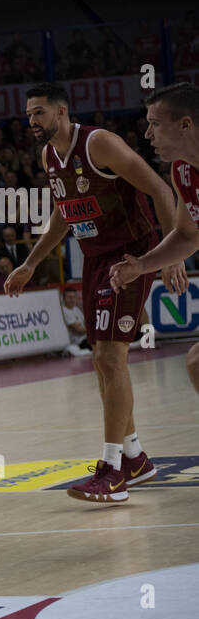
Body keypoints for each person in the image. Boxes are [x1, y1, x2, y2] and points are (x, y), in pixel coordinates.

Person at [5, 83, 184, 503]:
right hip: (94, 260)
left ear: (62, 112)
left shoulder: (99, 143)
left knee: (108, 355)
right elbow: (63, 217)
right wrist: (31, 263)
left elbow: (159, 189)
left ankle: (112, 470)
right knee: (102, 364)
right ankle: (135, 457)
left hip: (131, 255)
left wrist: (171, 255)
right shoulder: (49, 156)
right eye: (29, 114)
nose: (31, 121)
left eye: (39, 113)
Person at [110, 82, 199, 393]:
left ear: (185, 125)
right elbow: (188, 235)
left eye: (155, 125)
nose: (147, 135)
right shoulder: (182, 171)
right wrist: (143, 265)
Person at [60, 287, 91, 357]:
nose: (72, 300)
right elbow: (79, 330)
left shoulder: (76, 309)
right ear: (64, 298)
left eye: (74, 297)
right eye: (70, 297)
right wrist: (93, 329)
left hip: (86, 338)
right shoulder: (64, 311)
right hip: (78, 342)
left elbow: (86, 323)